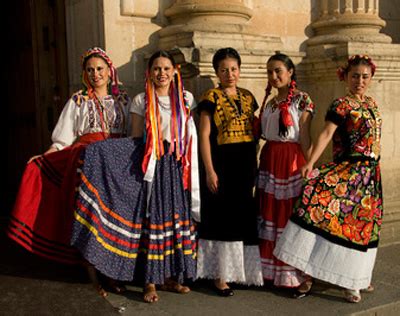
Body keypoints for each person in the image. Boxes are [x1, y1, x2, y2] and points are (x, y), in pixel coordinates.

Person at [71, 50, 199, 303]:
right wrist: (98, 151)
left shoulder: (186, 98)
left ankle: (171, 277)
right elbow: (136, 139)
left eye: (166, 68)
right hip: (153, 167)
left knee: (176, 221)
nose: (161, 73)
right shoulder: (142, 100)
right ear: (149, 73)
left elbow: (189, 134)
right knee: (153, 223)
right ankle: (150, 282)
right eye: (156, 69)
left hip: (178, 167)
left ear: (174, 71)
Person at [7, 47, 130, 295]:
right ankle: (92, 274)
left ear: (109, 71)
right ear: (85, 74)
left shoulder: (123, 100)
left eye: (100, 69)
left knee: (114, 218)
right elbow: (63, 139)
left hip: (115, 165)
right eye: (90, 70)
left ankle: (111, 272)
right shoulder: (78, 101)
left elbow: (129, 134)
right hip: (86, 163)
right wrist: (45, 157)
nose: (96, 74)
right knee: (90, 216)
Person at [274, 54, 382, 303]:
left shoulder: (372, 104)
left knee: (363, 229)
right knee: (340, 224)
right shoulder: (341, 105)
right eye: (355, 75)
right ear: (345, 76)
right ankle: (339, 280)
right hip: (349, 171)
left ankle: (357, 278)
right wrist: (310, 163)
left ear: (371, 78)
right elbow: (325, 134)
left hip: (370, 177)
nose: (360, 81)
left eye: (365, 76)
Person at [196, 47, 263, 296]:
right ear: (216, 72)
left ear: (240, 70)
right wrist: (209, 170)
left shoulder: (248, 97)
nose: (230, 74)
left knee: (242, 215)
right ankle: (220, 275)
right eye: (224, 69)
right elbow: (204, 135)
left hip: (245, 164)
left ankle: (241, 272)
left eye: (234, 69)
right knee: (221, 217)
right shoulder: (210, 97)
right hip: (221, 164)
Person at [256, 53, 315, 294]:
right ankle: (271, 272)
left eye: (278, 70)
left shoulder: (302, 100)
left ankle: (296, 274)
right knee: (270, 213)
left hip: (291, 160)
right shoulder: (269, 103)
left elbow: (305, 136)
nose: (274, 76)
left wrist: (310, 164)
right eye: (270, 71)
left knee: (289, 215)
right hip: (270, 159)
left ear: (290, 72)